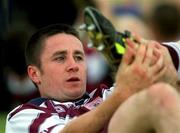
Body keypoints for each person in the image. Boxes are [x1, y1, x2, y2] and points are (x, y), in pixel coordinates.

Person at [5, 23, 180, 133]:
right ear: (35, 74)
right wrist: (123, 92)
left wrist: (149, 57)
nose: (74, 65)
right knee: (159, 96)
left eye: (79, 57)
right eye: (60, 58)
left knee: (163, 88)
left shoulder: (105, 95)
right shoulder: (23, 116)